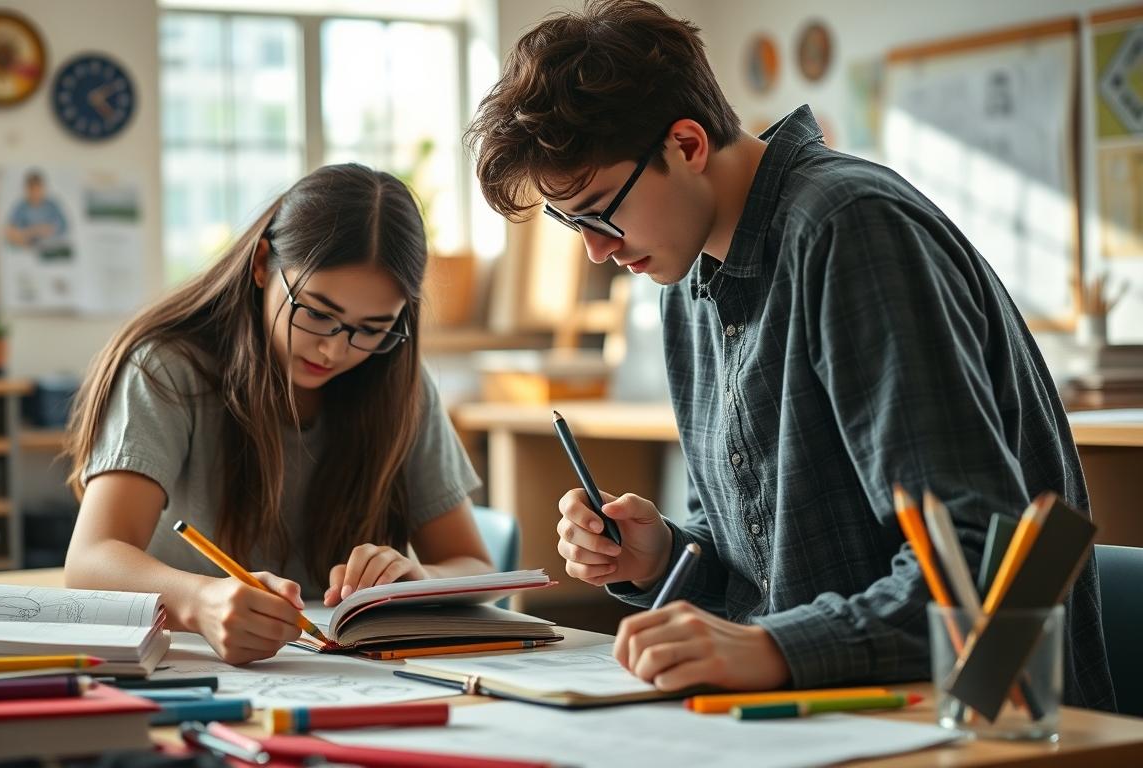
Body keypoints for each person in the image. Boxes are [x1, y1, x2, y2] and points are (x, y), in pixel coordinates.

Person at [465, 0, 1115, 710]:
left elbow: (979, 565)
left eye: (597, 209)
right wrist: (665, 556)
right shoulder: (684, 285)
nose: (595, 248)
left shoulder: (849, 231)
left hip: (971, 719)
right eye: (570, 223)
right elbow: (763, 556)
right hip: (807, 716)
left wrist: (774, 648)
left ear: (686, 145)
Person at [64, 164, 491, 664]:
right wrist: (198, 602)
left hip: (348, 679)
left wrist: (423, 580)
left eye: (372, 328)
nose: (333, 350)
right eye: (316, 312)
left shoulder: (399, 384)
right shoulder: (167, 369)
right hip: (187, 666)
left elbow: (473, 563)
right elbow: (90, 560)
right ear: (263, 263)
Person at [4, 170, 70, 249]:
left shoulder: (52, 206)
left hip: (50, 250)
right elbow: (10, 231)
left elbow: (63, 226)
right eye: (32, 189)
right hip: (26, 251)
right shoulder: (21, 207)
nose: (36, 193)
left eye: (38, 189)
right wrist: (31, 232)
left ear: (43, 188)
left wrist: (46, 230)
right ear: (27, 189)